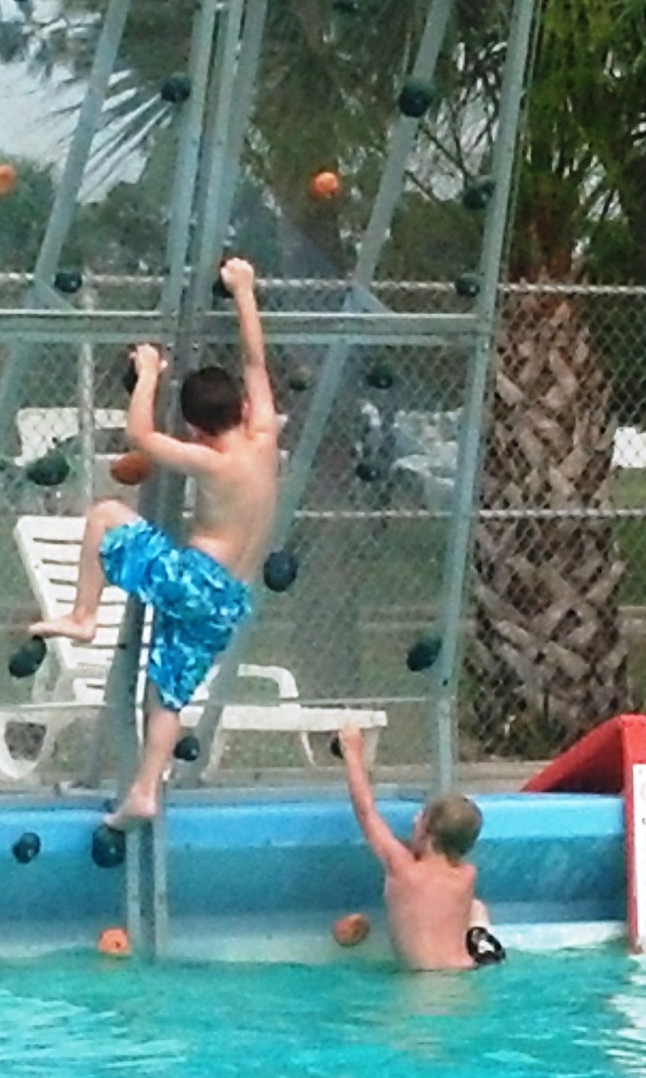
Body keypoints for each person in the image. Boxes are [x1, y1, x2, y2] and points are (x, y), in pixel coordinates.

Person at [29, 257, 279, 832]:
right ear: (242, 408)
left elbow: (141, 436)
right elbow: (256, 361)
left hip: (196, 579)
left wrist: (147, 373)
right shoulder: (262, 437)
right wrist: (244, 289)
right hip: (231, 598)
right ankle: (144, 789)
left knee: (104, 515)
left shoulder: (208, 460)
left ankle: (84, 615)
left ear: (194, 428)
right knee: (167, 689)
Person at [335, 725, 505, 971]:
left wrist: (352, 752)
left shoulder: (401, 866)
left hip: (422, 982)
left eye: (420, 819)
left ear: (427, 834)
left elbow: (367, 813)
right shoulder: (467, 875)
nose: (415, 819)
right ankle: (486, 946)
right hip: (464, 971)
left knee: (475, 908)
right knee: (476, 907)